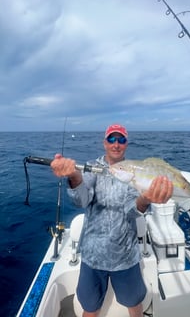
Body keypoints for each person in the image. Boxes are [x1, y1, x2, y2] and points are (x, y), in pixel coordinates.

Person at [51, 124, 173, 317]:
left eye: (121, 140)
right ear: (104, 143)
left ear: (126, 144)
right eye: (112, 139)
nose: (116, 144)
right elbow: (81, 200)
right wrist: (75, 177)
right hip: (92, 255)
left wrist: (145, 199)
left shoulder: (135, 171)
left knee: (135, 305)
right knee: (90, 309)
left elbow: (132, 212)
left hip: (125, 255)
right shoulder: (91, 167)